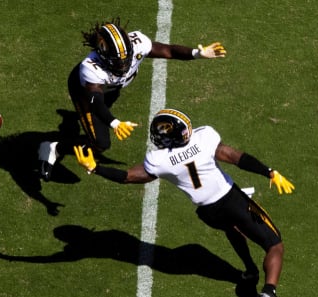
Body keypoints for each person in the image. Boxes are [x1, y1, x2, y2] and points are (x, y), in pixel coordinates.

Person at [73, 108, 295, 297]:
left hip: (208, 211)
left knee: (231, 228)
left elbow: (128, 177)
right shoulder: (204, 137)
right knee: (275, 245)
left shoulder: (159, 160)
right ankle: (269, 289)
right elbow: (236, 157)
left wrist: (96, 168)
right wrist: (269, 173)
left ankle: (249, 269)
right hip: (232, 199)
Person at [39, 18, 226, 181]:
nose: (124, 64)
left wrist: (197, 54)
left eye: (126, 58)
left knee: (102, 115)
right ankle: (54, 147)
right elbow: (95, 101)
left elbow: (168, 51)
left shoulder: (138, 43)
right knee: (101, 143)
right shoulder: (91, 68)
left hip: (111, 88)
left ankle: (78, 127)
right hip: (86, 92)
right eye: (117, 61)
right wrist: (114, 123)